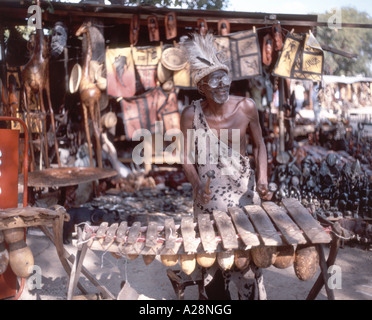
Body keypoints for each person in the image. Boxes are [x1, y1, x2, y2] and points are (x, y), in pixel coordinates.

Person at [180, 33, 272, 300]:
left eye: (225, 78)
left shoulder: (246, 107)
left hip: (243, 195)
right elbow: (185, 157)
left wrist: (263, 181)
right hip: (207, 198)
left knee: (246, 264)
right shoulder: (191, 115)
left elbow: (261, 146)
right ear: (202, 88)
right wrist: (197, 185)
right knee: (212, 266)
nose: (222, 85)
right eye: (214, 80)